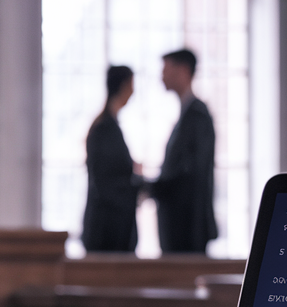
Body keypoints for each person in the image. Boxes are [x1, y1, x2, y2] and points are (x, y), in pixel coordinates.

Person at [152, 48, 218, 254]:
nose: (162, 75)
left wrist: (155, 188)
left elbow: (191, 174)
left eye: (166, 69)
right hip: (179, 227)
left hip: (188, 229)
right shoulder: (186, 115)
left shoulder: (197, 116)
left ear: (183, 70)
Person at [82, 65, 141, 253]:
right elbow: (107, 182)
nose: (133, 92)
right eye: (131, 85)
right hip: (107, 231)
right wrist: (138, 184)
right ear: (123, 86)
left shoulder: (109, 126)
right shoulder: (104, 129)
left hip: (113, 227)